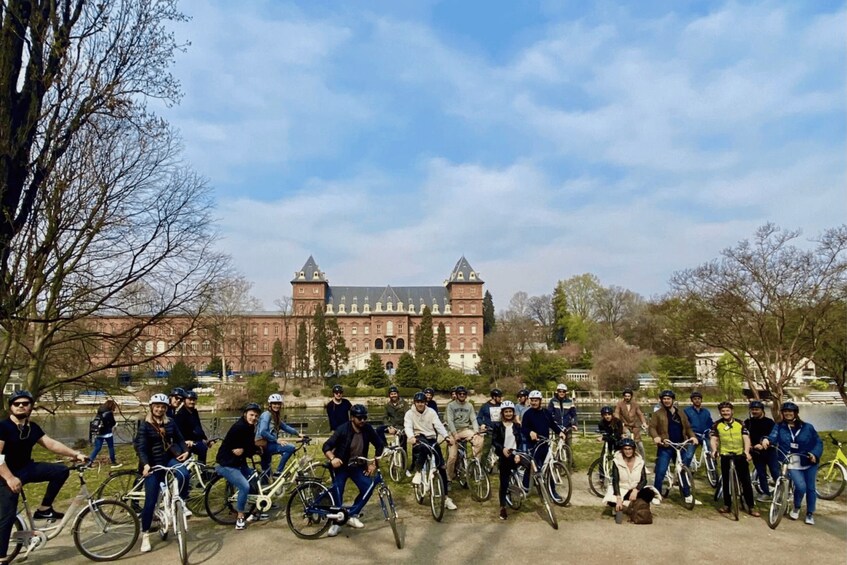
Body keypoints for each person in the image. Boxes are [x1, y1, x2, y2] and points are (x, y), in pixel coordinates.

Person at [0, 391, 88, 564]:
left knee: (61, 471)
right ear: (10, 407)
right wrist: (10, 478)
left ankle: (44, 509)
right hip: (4, 474)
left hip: (27, 468)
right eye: (16, 403)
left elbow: (51, 444)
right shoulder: (3, 427)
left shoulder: (32, 428)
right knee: (6, 516)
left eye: (25, 403)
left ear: (31, 406)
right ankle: (1, 557)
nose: (21, 406)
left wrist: (75, 454)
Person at [134, 393, 190, 553]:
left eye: (163, 407)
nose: (160, 409)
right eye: (157, 406)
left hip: (168, 459)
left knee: (184, 473)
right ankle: (145, 535)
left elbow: (180, 439)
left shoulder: (170, 422)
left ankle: (182, 502)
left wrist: (185, 451)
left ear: (166, 409)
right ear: (152, 407)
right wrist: (145, 465)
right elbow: (141, 448)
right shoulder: (145, 425)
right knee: (150, 501)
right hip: (152, 464)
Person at [323, 404, 385, 537]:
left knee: (368, 487)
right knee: (338, 490)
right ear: (352, 418)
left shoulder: (367, 429)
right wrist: (333, 458)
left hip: (358, 466)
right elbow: (326, 446)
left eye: (364, 417)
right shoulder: (343, 429)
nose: (363, 420)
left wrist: (374, 463)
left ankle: (352, 514)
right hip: (342, 466)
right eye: (359, 418)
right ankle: (336, 522)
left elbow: (379, 445)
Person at [761, 402, 823, 525]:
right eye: (785, 412)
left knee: (810, 489)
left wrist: (814, 454)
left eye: (790, 411)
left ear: (795, 413)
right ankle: (797, 506)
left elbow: (818, 442)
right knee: (801, 487)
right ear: (782, 413)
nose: (788, 413)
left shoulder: (807, 427)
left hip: (808, 461)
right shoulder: (779, 427)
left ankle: (810, 513)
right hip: (791, 462)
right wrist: (766, 439)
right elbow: (772, 436)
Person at [404, 392, 457, 511]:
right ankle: (418, 472)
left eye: (422, 402)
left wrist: (446, 436)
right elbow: (407, 426)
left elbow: (438, 425)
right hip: (418, 437)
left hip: (431, 438)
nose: (420, 404)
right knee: (423, 448)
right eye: (418, 402)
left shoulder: (431, 412)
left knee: (442, 467)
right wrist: (411, 436)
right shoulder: (409, 414)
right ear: (414, 403)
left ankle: (446, 498)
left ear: (425, 403)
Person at [216, 402, 264, 531]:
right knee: (245, 486)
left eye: (256, 416)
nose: (253, 418)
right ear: (245, 414)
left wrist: (256, 449)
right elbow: (241, 447)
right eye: (251, 415)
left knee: (254, 479)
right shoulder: (239, 427)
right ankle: (240, 516)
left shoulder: (249, 427)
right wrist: (248, 450)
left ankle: (254, 512)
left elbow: (247, 446)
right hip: (227, 463)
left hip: (239, 461)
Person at [648, 390, 698, 506]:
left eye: (668, 398)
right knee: (661, 470)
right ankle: (657, 494)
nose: (666, 400)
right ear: (661, 400)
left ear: (673, 400)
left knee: (683, 470)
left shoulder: (680, 413)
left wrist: (693, 437)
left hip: (681, 445)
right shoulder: (658, 413)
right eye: (664, 398)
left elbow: (688, 427)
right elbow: (652, 428)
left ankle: (687, 494)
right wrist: (656, 437)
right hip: (666, 446)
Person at [710, 401, 759, 517]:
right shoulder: (717, 424)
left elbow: (746, 438)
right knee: (726, 481)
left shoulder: (740, 423)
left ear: (732, 411)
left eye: (727, 411)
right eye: (723, 411)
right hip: (725, 455)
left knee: (746, 481)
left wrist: (746, 452)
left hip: (739, 454)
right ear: (720, 413)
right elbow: (713, 439)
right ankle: (727, 505)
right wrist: (714, 450)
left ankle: (751, 506)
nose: (725, 413)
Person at [521, 390, 563, 490]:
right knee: (532, 466)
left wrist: (560, 432)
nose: (534, 402)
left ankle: (552, 491)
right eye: (532, 400)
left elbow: (552, 424)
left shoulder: (546, 412)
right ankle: (525, 486)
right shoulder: (527, 414)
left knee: (549, 467)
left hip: (545, 443)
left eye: (536, 400)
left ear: (540, 401)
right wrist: (530, 432)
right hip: (533, 445)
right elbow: (523, 428)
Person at [491, 400, 524, 520]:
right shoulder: (498, 426)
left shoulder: (517, 426)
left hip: (516, 453)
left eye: (510, 411)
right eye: (506, 412)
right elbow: (495, 441)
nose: (509, 414)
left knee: (530, 467)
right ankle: (503, 507)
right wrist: (503, 449)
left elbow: (521, 441)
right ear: (502, 413)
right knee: (504, 481)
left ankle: (524, 489)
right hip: (504, 455)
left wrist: (518, 453)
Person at [256, 394, 303, 477]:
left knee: (266, 471)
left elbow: (285, 427)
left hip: (268, 443)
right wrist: (276, 440)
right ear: (270, 404)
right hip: (264, 444)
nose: (276, 406)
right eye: (274, 403)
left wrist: (298, 433)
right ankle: (278, 472)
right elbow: (263, 431)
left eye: (278, 404)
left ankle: (264, 487)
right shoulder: (267, 415)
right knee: (290, 448)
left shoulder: (275, 416)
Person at [604, 438, 649, 524]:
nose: (628, 451)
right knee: (611, 500)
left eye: (630, 449)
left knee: (649, 492)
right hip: (622, 488)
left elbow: (644, 480)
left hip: (634, 489)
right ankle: (629, 505)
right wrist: (618, 498)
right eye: (625, 449)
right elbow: (615, 481)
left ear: (633, 449)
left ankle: (631, 506)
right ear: (622, 450)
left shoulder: (640, 462)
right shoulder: (616, 461)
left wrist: (636, 490)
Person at [445, 385, 483, 482]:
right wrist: (455, 434)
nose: (462, 395)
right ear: (457, 395)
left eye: (464, 394)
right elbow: (450, 421)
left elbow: (473, 419)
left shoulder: (469, 406)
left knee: (479, 440)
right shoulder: (451, 406)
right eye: (460, 394)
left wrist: (476, 431)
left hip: (465, 429)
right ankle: (449, 477)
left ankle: (475, 464)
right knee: (452, 456)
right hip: (454, 431)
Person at [744, 400, 779, 502]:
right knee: (761, 473)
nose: (754, 411)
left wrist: (763, 444)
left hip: (769, 451)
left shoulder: (769, 422)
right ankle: (766, 493)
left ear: (762, 410)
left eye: (757, 409)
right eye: (753, 409)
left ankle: (781, 491)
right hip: (756, 452)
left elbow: (773, 436)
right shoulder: (748, 422)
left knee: (775, 472)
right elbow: (745, 435)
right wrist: (749, 445)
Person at [174, 390, 211, 464]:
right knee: (201, 448)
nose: (192, 402)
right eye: (190, 400)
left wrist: (204, 438)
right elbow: (179, 432)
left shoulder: (194, 412)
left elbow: (198, 427)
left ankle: (201, 469)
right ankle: (199, 469)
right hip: (186, 441)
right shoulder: (180, 415)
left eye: (194, 400)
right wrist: (186, 441)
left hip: (195, 440)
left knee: (203, 447)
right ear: (184, 400)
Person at [548, 384, 578, 468]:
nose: (561, 393)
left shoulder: (569, 402)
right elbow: (549, 414)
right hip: (557, 427)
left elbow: (574, 414)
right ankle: (559, 464)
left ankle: (571, 463)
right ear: (557, 392)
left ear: (566, 392)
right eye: (559, 391)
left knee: (569, 446)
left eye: (563, 391)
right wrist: (552, 423)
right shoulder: (552, 401)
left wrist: (575, 424)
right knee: (558, 446)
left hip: (567, 427)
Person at [614, 388, 648, 459]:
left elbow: (640, 414)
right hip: (625, 426)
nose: (627, 397)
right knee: (628, 437)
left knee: (640, 445)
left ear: (631, 396)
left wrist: (644, 423)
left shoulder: (635, 404)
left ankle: (642, 462)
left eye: (628, 396)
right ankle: (627, 456)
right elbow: (616, 413)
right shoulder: (620, 404)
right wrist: (618, 422)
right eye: (626, 396)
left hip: (635, 426)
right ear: (623, 396)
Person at [683, 391, 713, 471]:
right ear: (692, 400)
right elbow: (685, 424)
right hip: (693, 435)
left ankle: (713, 470)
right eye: (695, 399)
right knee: (689, 455)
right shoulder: (687, 411)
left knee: (711, 453)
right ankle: (684, 471)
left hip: (705, 435)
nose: (697, 400)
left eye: (699, 399)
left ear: (701, 400)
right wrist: (687, 435)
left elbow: (710, 422)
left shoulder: (706, 411)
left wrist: (712, 431)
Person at [88, 398, 122, 468]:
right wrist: (115, 424)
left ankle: (89, 462)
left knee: (97, 448)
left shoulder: (99, 411)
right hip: (107, 433)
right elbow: (112, 422)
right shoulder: (109, 413)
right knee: (111, 447)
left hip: (98, 432)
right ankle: (113, 462)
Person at [377, 386, 408, 450]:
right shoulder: (387, 405)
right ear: (389, 395)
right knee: (379, 429)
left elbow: (407, 416)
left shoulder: (404, 404)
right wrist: (390, 426)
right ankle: (385, 446)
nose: (393, 395)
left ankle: (403, 458)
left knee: (403, 446)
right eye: (391, 394)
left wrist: (404, 428)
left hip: (402, 427)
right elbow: (384, 417)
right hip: (392, 426)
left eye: (395, 393)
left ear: (398, 394)